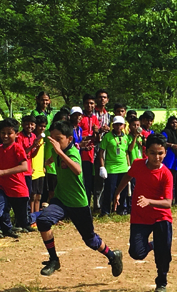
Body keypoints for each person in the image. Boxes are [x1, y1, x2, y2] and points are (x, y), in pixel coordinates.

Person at [34, 119, 125, 278]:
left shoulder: (71, 152)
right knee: (43, 221)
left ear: (69, 139)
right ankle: (54, 259)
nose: (55, 142)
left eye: (58, 138)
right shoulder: (58, 150)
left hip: (78, 204)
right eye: (52, 138)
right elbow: (51, 160)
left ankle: (112, 255)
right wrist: (47, 160)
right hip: (61, 199)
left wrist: (60, 153)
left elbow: (77, 170)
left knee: (90, 240)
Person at [115, 135, 174, 292]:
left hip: (161, 217)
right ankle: (155, 244)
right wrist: (117, 193)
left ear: (165, 153)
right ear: (146, 152)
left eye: (160, 153)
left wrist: (150, 201)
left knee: (164, 254)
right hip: (140, 216)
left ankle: (161, 282)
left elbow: (168, 203)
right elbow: (128, 175)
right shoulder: (138, 164)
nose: (157, 157)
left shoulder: (166, 174)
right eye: (153, 153)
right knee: (136, 252)